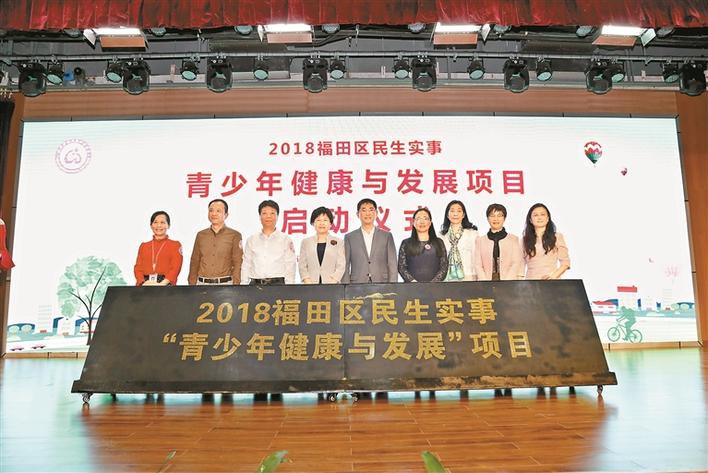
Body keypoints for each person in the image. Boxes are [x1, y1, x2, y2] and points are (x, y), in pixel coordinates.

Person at [188, 199, 243, 285]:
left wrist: (236, 285)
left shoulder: (235, 235)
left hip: (225, 284)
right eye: (211, 210)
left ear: (226, 215)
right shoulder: (201, 235)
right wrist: (192, 283)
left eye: (218, 211)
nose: (214, 214)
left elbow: (238, 262)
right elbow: (195, 260)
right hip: (202, 284)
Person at [342, 198, 397, 283]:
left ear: (376, 213)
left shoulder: (387, 236)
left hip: (382, 282)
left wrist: (393, 285)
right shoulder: (349, 237)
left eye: (371, 210)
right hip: (357, 283)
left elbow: (392, 263)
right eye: (364, 210)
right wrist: (346, 286)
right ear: (358, 214)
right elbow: (345, 264)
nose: (367, 213)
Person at [241, 200, 296, 285]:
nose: (268, 216)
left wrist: (290, 286)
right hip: (255, 285)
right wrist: (243, 285)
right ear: (260, 216)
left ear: (277, 216)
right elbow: (246, 264)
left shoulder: (285, 239)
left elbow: (290, 265)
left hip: (278, 285)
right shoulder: (251, 239)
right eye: (264, 213)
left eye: (272, 213)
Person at [474, 203, 524, 281]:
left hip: (509, 282)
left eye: (499, 216)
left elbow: (516, 263)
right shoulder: (480, 241)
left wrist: (506, 282)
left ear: (504, 218)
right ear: (487, 218)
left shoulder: (513, 239)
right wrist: (484, 282)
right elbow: (478, 265)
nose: (496, 219)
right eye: (492, 216)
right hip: (486, 282)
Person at [398, 208, 448, 282]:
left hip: (435, 287)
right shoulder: (406, 243)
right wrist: (414, 282)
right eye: (418, 218)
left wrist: (432, 284)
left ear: (430, 223)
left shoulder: (439, 242)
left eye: (425, 218)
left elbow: (444, 267)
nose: (422, 222)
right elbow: (401, 267)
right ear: (413, 222)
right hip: (412, 287)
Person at [134, 211, 183, 286]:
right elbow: (138, 268)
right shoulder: (144, 246)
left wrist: (162, 284)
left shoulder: (175, 245)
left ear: (168, 225)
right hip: (145, 285)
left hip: (166, 285)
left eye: (162, 222)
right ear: (151, 226)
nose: (159, 225)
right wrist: (143, 283)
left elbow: (175, 268)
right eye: (155, 222)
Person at [522, 203, 570, 279]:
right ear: (530, 220)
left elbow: (565, 262)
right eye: (535, 215)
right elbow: (520, 265)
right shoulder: (524, 240)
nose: (539, 217)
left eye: (542, 214)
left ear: (548, 218)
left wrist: (553, 276)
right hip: (531, 282)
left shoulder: (557, 237)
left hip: (552, 281)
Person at [298, 206, 345, 284]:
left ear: (330, 223)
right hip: (310, 285)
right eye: (318, 220)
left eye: (325, 220)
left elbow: (341, 266)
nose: (322, 223)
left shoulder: (339, 242)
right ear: (313, 223)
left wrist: (332, 282)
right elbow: (302, 266)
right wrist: (308, 282)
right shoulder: (306, 242)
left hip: (332, 285)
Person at [439, 200, 479, 281]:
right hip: (447, 278)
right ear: (447, 215)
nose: (455, 214)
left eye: (459, 211)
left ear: (463, 215)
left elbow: (476, 257)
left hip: (468, 276)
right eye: (452, 211)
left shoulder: (472, 233)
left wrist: (476, 277)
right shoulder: (441, 236)